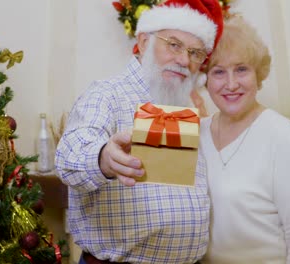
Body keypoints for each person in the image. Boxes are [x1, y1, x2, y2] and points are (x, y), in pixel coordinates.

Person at [55, 0, 223, 263]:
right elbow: (69, 158)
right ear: (144, 41)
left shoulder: (184, 107)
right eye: (174, 45)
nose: (183, 60)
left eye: (195, 53)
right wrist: (103, 159)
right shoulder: (108, 94)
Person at [200, 15, 290, 264]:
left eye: (241, 69)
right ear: (206, 80)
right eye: (219, 72)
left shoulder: (282, 136)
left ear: (258, 74)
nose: (231, 84)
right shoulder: (197, 133)